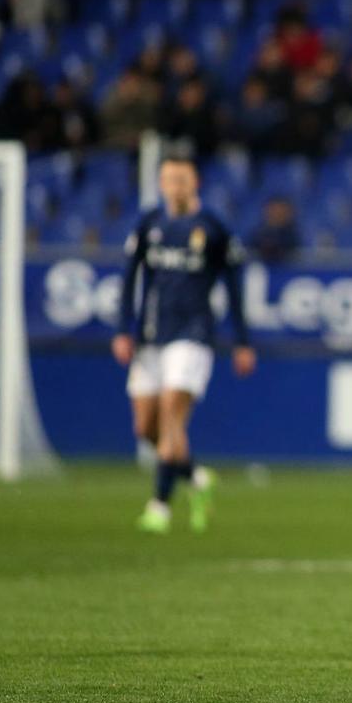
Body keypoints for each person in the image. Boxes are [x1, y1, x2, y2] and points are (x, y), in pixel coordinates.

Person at [112, 156, 256, 534]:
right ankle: (195, 479)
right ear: (160, 184)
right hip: (150, 335)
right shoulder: (149, 224)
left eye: (181, 179)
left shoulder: (212, 229)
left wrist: (242, 340)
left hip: (193, 336)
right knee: (146, 428)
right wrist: (122, 329)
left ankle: (159, 506)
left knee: (171, 413)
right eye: (168, 179)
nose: (174, 185)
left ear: (195, 183)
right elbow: (129, 279)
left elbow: (235, 286)